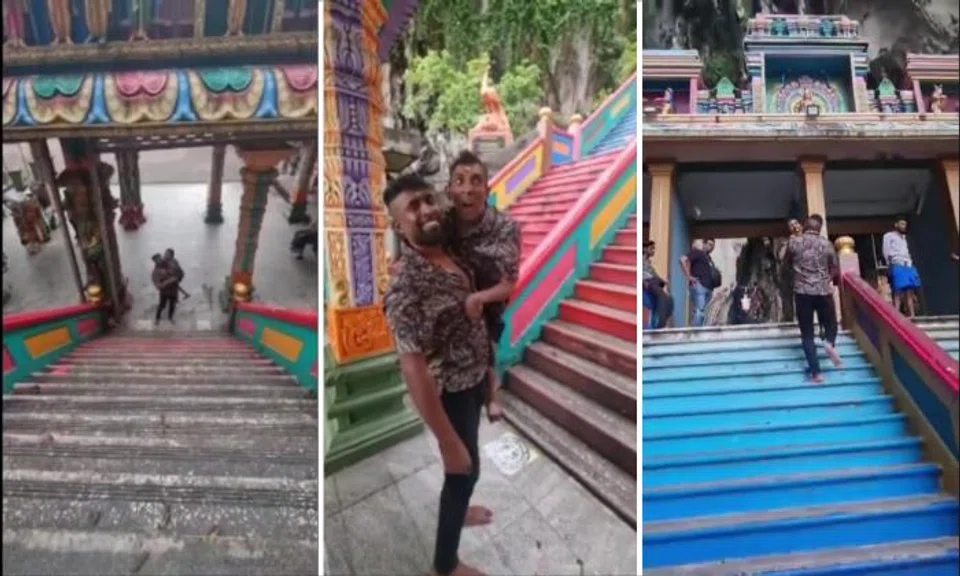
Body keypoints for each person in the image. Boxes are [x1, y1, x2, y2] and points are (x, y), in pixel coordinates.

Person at [383, 174, 491, 576]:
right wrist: (446, 440)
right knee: (462, 467)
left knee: (470, 463)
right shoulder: (405, 288)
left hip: (476, 379)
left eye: (427, 199)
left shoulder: (450, 252)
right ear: (398, 226)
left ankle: (460, 510)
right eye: (413, 207)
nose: (426, 209)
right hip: (453, 393)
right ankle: (445, 565)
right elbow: (411, 366)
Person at [441, 150, 519, 423]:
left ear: (487, 189)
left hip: (489, 292)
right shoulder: (442, 221)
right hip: (451, 290)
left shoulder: (505, 227)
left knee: (488, 346)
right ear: (449, 189)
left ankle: (493, 398)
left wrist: (478, 298)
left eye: (476, 181)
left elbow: (509, 283)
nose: (468, 189)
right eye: (459, 181)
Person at [782, 215, 844, 383]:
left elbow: (785, 266)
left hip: (802, 292)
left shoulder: (794, 242)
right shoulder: (827, 244)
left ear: (804, 226)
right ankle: (829, 342)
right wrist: (829, 279)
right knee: (831, 323)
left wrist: (793, 278)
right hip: (823, 291)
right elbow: (835, 268)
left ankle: (817, 373)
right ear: (819, 228)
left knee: (807, 334)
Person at [882, 217, 922, 318]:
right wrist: (889, 264)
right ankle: (896, 315)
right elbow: (886, 251)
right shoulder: (889, 236)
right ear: (896, 224)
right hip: (897, 264)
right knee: (898, 290)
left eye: (905, 224)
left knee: (910, 291)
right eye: (902, 224)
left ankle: (912, 315)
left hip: (908, 264)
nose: (904, 226)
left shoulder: (904, 238)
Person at [680, 238, 719, 327]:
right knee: (700, 310)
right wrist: (689, 277)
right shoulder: (698, 252)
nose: (711, 247)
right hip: (699, 286)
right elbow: (683, 260)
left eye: (712, 246)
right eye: (709, 244)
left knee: (703, 311)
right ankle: (696, 333)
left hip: (708, 287)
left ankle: (698, 330)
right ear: (703, 244)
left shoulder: (708, 257)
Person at [643, 240, 674, 329]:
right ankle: (660, 323)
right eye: (651, 249)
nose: (653, 251)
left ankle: (663, 321)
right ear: (645, 249)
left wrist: (663, 280)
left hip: (653, 283)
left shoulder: (649, 263)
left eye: (654, 249)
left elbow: (655, 275)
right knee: (661, 295)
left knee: (669, 299)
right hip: (647, 283)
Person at [151, 253, 179, 324]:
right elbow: (156, 281)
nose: (158, 260)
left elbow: (177, 274)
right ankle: (157, 319)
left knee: (172, 305)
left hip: (173, 289)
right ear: (155, 261)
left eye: (159, 258)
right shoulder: (156, 270)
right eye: (156, 260)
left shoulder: (170, 264)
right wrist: (162, 284)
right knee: (162, 305)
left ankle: (170, 318)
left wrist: (173, 279)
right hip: (164, 291)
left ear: (161, 257)